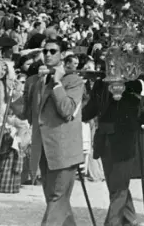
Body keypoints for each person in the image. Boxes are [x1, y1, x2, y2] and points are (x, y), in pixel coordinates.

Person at [22, 37, 85, 226]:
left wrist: (57, 83)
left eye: (53, 51)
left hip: (64, 151)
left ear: (63, 55)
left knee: (57, 199)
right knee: (56, 201)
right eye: (45, 51)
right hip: (43, 151)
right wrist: (19, 90)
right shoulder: (35, 80)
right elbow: (27, 114)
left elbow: (67, 111)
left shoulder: (73, 81)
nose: (48, 54)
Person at [82, 75, 144, 226]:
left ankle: (112, 223)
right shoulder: (100, 84)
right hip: (105, 142)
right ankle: (131, 219)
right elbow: (90, 110)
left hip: (124, 143)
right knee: (115, 186)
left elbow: (141, 103)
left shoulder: (133, 84)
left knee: (119, 188)